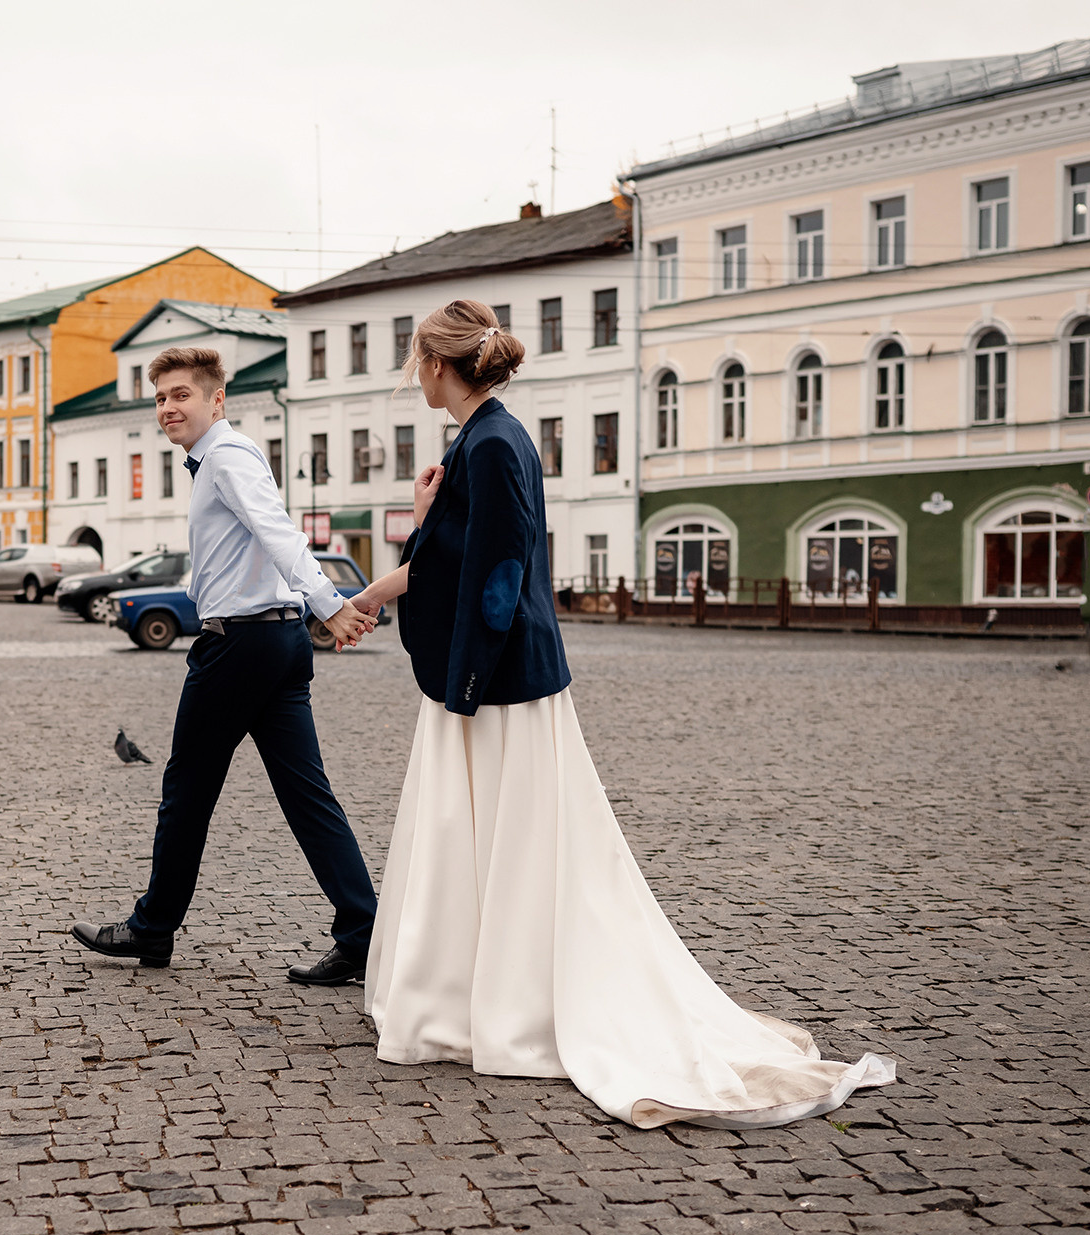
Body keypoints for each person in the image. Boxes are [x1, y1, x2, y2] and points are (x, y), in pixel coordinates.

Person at [349, 300, 897, 1129]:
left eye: (413, 360)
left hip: (497, 686)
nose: (410, 374)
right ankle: (466, 990)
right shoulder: (481, 441)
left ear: (436, 363)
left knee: (510, 840)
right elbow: (454, 560)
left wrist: (464, 683)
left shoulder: (493, 445)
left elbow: (500, 577)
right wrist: (413, 538)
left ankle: (492, 999)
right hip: (488, 677)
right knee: (489, 837)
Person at [71, 346, 381, 984]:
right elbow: (246, 545)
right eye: (160, 397)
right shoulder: (222, 461)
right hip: (275, 643)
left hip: (240, 647)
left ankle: (153, 929)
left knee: (186, 791)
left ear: (217, 400)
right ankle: (364, 934)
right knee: (306, 796)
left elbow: (277, 531)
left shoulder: (227, 457)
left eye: (180, 395)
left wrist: (331, 603)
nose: (167, 408)